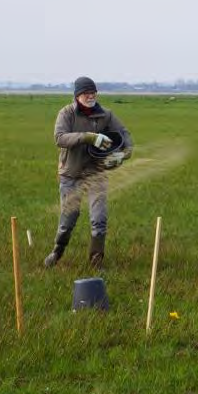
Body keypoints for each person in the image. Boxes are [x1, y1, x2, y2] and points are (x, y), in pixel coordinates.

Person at [43, 76, 133, 269]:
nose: (90, 96)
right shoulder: (66, 114)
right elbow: (59, 138)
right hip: (71, 175)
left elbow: (125, 134)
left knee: (99, 218)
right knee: (68, 220)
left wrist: (123, 155)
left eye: (93, 92)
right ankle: (56, 253)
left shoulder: (106, 115)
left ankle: (96, 262)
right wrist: (89, 137)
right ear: (77, 96)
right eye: (86, 93)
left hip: (96, 174)